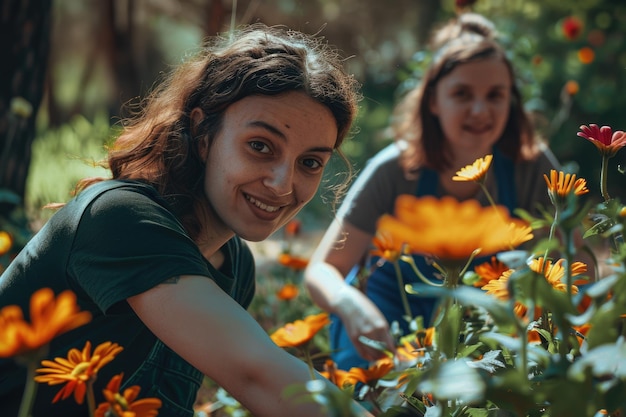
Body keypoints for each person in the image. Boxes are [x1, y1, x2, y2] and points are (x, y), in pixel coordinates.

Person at [0, 23, 372, 417]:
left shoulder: (234, 264)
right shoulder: (120, 218)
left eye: (310, 163)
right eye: (260, 147)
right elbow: (259, 376)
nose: (283, 185)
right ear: (202, 132)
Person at [304, 13, 563, 371]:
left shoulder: (533, 167)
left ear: (511, 102)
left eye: (495, 95)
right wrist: (351, 305)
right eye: (461, 94)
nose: (479, 110)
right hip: (388, 316)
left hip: (488, 324)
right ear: (433, 101)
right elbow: (322, 270)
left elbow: (573, 263)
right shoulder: (394, 169)